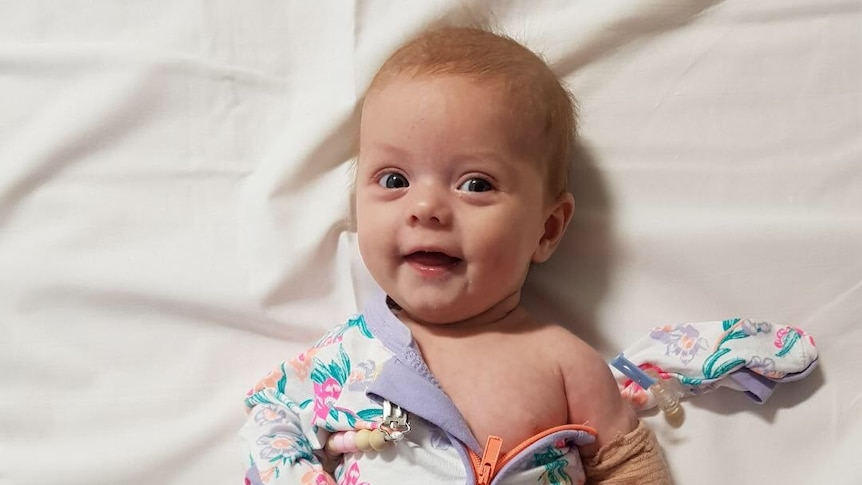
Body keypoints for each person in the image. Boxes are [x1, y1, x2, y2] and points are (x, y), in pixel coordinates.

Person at [240, 26, 672, 484]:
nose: (426, 208)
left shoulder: (566, 364)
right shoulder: (347, 357)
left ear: (546, 229)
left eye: (476, 185)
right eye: (394, 181)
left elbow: (630, 468)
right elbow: (271, 420)